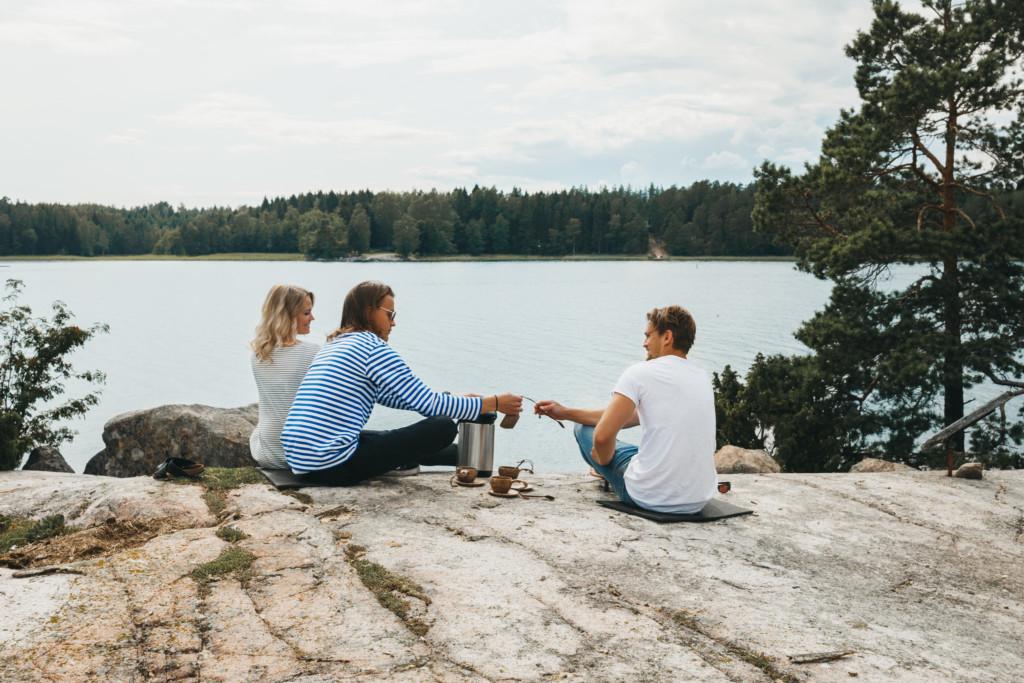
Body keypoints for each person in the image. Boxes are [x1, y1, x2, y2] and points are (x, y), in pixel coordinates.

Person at [281, 280, 522, 484]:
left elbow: (390, 396)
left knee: (385, 436)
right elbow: (429, 405)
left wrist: (458, 400)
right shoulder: (371, 346)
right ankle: (433, 457)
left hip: (302, 461)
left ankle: (453, 456)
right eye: (390, 315)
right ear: (368, 312)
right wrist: (494, 403)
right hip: (331, 466)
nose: (393, 322)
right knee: (443, 426)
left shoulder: (335, 344)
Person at [534, 305, 716, 513]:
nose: (644, 343)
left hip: (650, 496)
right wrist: (565, 412)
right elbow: (630, 417)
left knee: (583, 430)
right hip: (698, 499)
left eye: (648, 336)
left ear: (667, 337)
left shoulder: (639, 373)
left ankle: (602, 471)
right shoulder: (701, 376)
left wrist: (603, 461)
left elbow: (602, 437)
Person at [249, 284, 319, 470]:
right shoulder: (312, 353)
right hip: (299, 453)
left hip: (266, 452)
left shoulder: (258, 355)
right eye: (306, 313)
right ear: (287, 316)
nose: (312, 318)